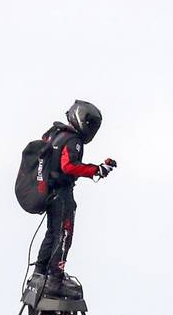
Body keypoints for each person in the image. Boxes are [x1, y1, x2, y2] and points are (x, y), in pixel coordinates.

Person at [33, 99, 116, 297]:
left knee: (52, 233)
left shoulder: (56, 133)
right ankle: (55, 279)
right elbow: (68, 166)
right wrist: (96, 170)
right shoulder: (73, 140)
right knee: (64, 234)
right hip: (61, 194)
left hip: (49, 192)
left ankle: (39, 273)